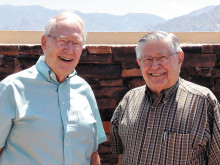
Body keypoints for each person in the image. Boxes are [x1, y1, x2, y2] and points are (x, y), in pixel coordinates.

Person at [0, 11, 107, 165]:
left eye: (76, 43)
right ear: (44, 43)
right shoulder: (12, 88)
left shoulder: (85, 90)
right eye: (62, 40)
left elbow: (92, 153)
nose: (70, 50)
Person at [110, 31, 220, 164]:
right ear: (139, 63)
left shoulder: (203, 102)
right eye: (147, 59)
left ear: (179, 58)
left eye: (162, 57)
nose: (155, 66)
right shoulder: (129, 100)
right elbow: (122, 156)